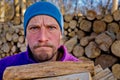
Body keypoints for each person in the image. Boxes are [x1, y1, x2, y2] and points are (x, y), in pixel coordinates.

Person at [0, 1, 80, 80]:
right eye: (34, 28)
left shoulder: (80, 71)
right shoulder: (3, 68)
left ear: (60, 34)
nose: (42, 38)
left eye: (51, 28)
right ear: (26, 34)